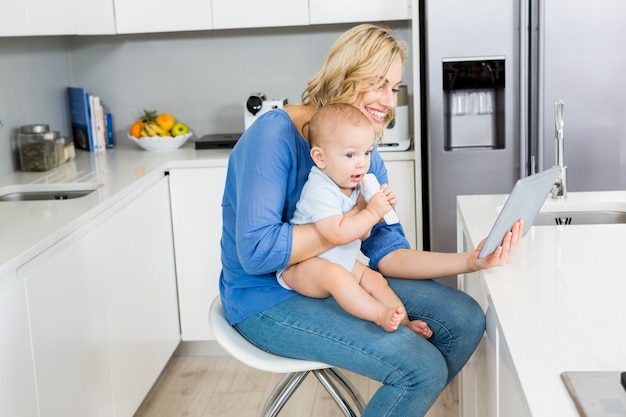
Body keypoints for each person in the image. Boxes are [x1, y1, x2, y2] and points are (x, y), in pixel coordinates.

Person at [219, 23, 522, 417]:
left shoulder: (364, 154)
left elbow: (389, 252)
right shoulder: (274, 134)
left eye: (393, 87)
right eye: (377, 83)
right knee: (420, 368)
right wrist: (354, 221)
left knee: (464, 319)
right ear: (344, 76)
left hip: (337, 275)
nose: (388, 100)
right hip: (265, 298)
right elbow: (258, 255)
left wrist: (470, 260)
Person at [278, 103, 432, 336]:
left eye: (367, 152)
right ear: (320, 157)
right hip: (302, 267)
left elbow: (362, 234)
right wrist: (370, 212)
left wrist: (375, 208)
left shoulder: (352, 185)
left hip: (338, 259)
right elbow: (337, 234)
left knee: (375, 279)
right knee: (337, 276)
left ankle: (405, 323)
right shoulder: (319, 188)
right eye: (350, 154)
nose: (361, 162)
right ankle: (380, 315)